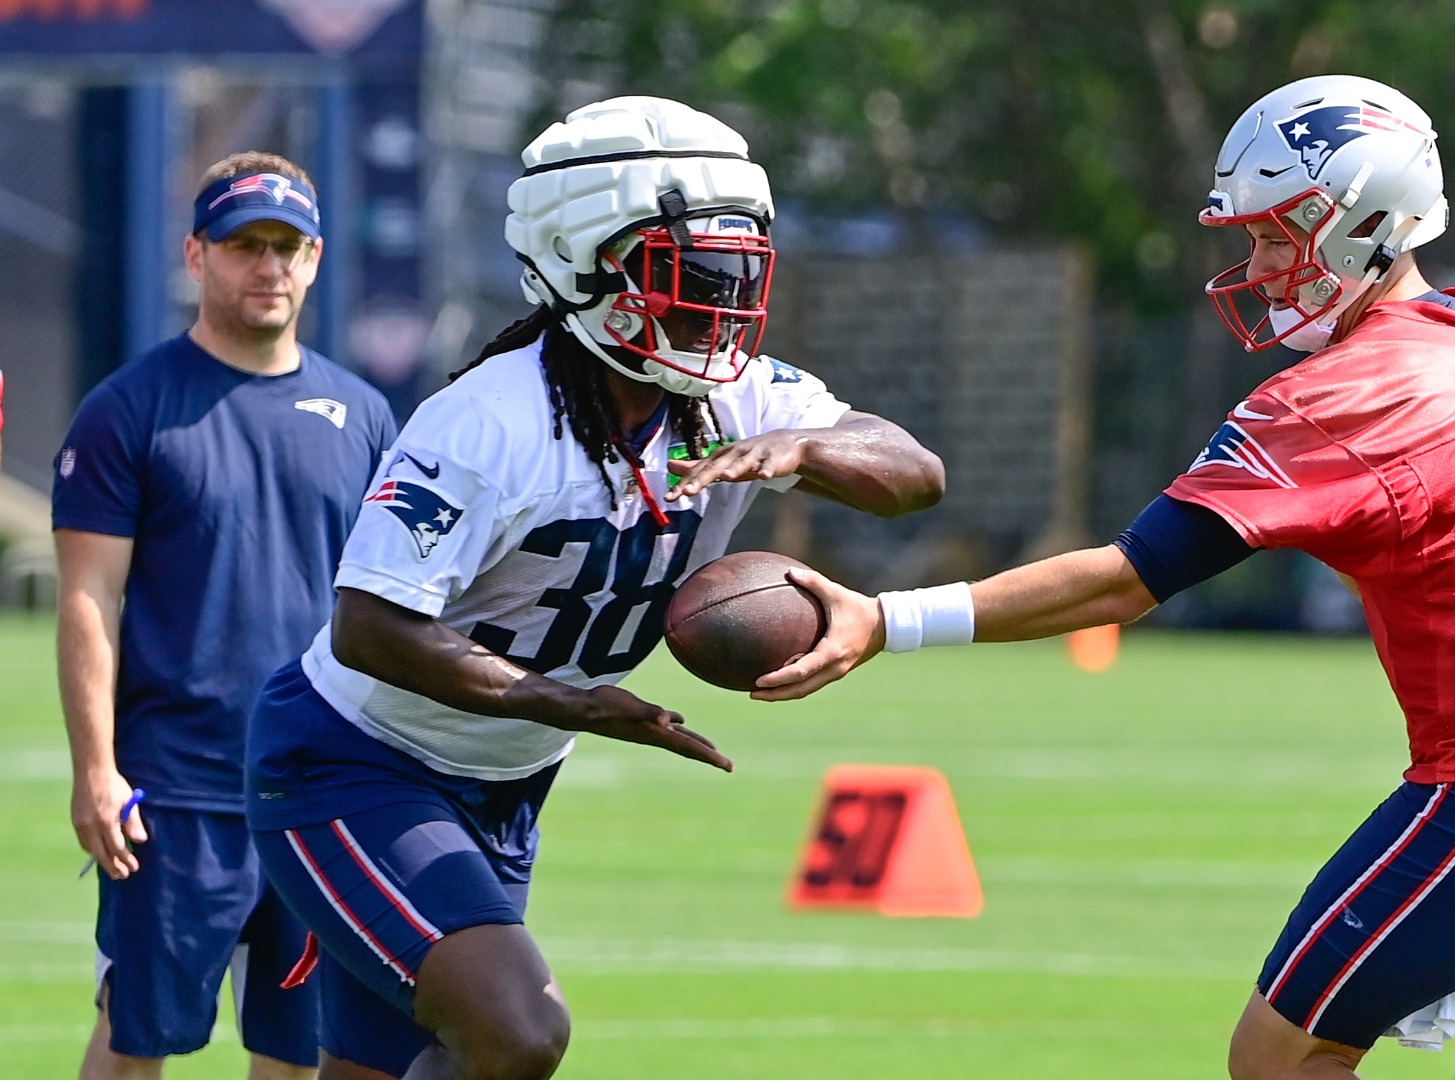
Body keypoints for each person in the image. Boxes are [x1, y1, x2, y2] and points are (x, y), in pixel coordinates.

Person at [761, 75, 1455, 1080]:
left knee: (1282, 1055)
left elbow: (1127, 580)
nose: (1256, 264)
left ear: (1366, 222)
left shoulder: (1351, 387)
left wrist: (888, 619)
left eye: (1278, 234)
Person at [241, 96, 944, 1080]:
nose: (721, 300)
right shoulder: (487, 422)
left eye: (736, 272)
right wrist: (563, 702)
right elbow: (369, 627)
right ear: (583, 266)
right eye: (690, 273)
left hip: (503, 780)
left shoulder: (732, 396)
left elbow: (915, 472)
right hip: (354, 763)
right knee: (519, 1033)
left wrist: (812, 444)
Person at [53, 153, 396, 1079]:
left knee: (301, 1059)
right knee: (136, 1041)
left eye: (287, 246)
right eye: (246, 244)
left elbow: (391, 605)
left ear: (316, 258)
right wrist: (96, 770)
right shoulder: (128, 409)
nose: (269, 266)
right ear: (196, 253)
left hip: (320, 787)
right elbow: (89, 597)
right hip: (174, 793)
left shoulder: (365, 416)